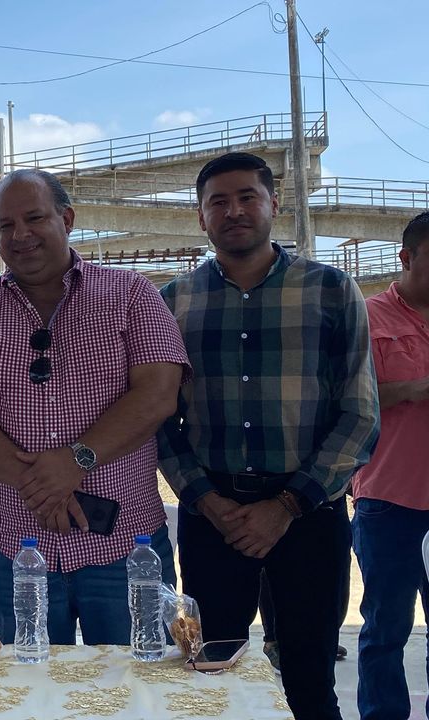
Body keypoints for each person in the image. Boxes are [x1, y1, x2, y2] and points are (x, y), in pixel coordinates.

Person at [157, 152, 378, 720]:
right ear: (201, 216)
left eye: (247, 197)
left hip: (309, 514)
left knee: (310, 680)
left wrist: (285, 506)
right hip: (214, 518)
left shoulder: (332, 290)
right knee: (209, 677)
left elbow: (359, 414)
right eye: (218, 202)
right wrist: (206, 500)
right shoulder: (172, 302)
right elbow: (158, 418)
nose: (234, 211)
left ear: (274, 204)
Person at [0, 168, 190, 646]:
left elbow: (158, 394)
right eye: (6, 225)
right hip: (13, 546)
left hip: (125, 545)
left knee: (136, 678)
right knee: (25, 683)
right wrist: (43, 485)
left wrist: (75, 462)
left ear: (66, 219)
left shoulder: (132, 295)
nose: (20, 235)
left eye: (34, 218)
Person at [352, 211, 429, 720]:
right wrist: (418, 388)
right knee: (386, 629)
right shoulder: (366, 317)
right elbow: (347, 398)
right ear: (406, 257)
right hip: (390, 501)